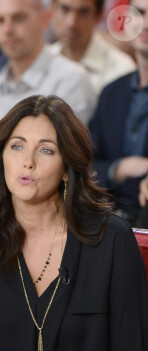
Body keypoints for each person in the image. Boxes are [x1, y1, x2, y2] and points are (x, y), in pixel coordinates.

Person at [0, 95, 148, 351]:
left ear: (66, 168)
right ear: (1, 158)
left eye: (46, 150)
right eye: (17, 146)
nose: (28, 162)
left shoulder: (111, 241)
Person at [0, 0, 97, 189]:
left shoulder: (71, 79)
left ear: (45, 19)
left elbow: (63, 165)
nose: (7, 29)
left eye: (18, 18)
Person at [91, 0, 148, 227]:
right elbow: (83, 166)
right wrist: (121, 168)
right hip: (105, 220)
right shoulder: (111, 92)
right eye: (140, 13)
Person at [50, 0, 136, 93]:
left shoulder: (121, 69)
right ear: (52, 8)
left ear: (99, 15)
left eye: (83, 12)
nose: (71, 23)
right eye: (65, 9)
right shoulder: (41, 60)